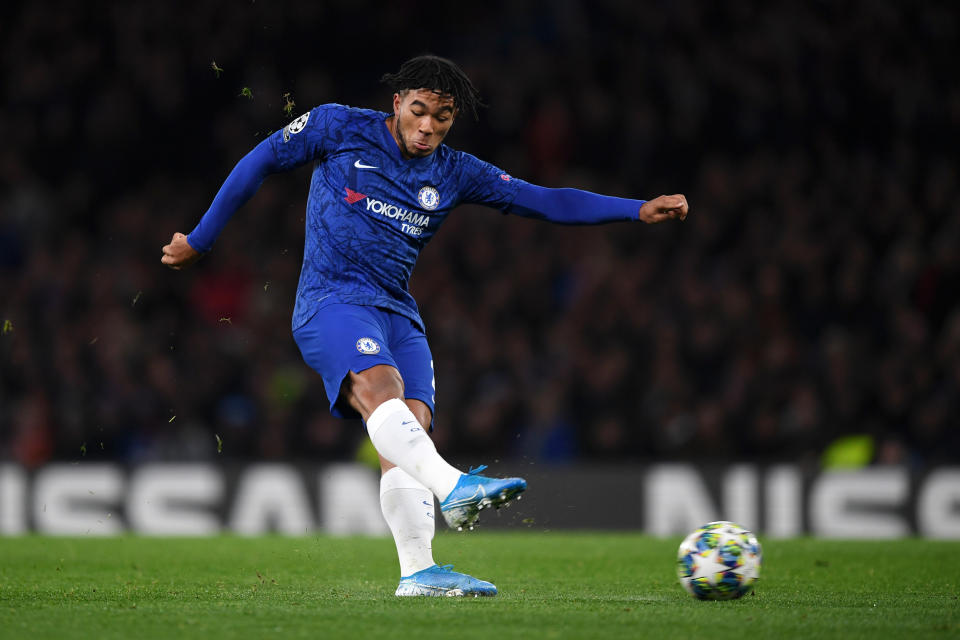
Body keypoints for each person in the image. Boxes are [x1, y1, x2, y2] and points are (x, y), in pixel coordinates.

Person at [162, 55, 689, 597]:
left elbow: (546, 200)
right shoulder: (337, 127)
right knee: (381, 390)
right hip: (332, 299)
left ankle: (418, 572)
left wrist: (636, 209)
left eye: (442, 117)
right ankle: (455, 485)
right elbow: (259, 162)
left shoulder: (455, 171)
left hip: (397, 311)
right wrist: (200, 240)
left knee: (409, 429)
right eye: (418, 111)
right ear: (396, 103)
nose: (428, 127)